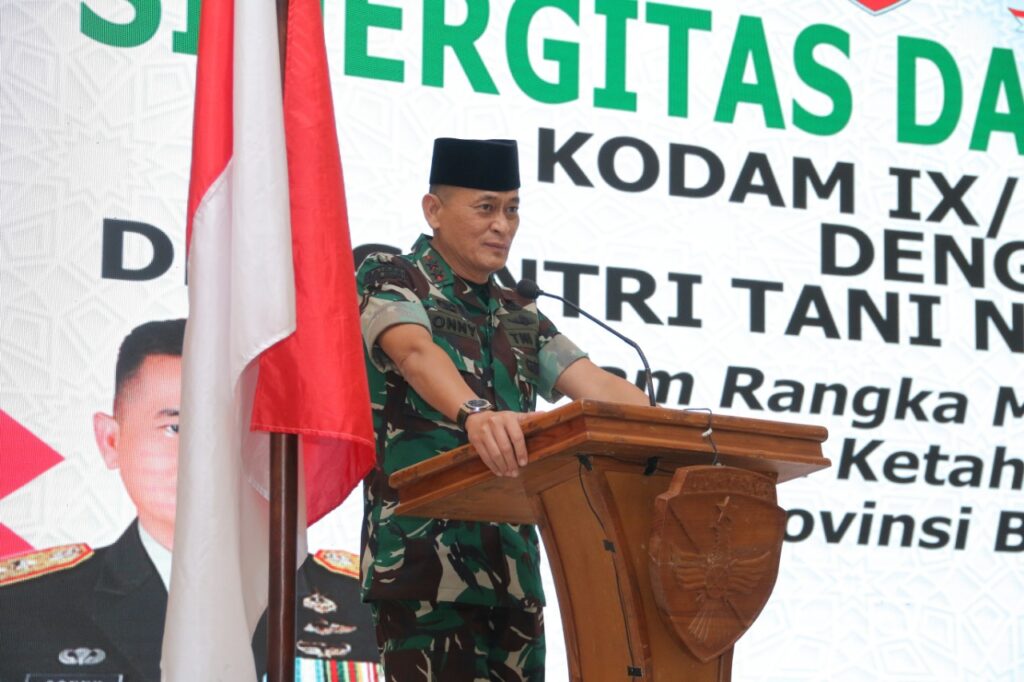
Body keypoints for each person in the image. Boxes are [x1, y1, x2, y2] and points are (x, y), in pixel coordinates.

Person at [357, 137, 649, 680]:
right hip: (423, 569)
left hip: (513, 577)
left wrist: (672, 429)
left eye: (512, 209)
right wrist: (475, 414)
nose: (503, 226)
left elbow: (591, 384)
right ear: (434, 210)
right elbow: (414, 352)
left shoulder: (519, 312)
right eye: (486, 208)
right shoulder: (393, 276)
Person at [0, 319, 379, 682]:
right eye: (176, 427)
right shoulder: (19, 608)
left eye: (234, 426)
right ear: (110, 441)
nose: (205, 453)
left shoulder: (366, 606)